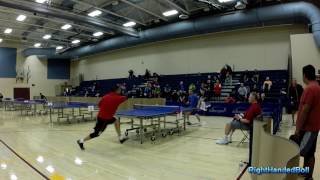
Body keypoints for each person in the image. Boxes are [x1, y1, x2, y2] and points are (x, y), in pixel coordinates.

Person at [77, 86, 128, 150]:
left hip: (105, 117)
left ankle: (120, 138)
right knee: (96, 134)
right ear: (117, 90)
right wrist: (125, 91)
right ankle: (81, 141)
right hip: (104, 120)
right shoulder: (119, 98)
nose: (121, 91)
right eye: (120, 90)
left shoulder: (105, 96)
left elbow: (99, 105)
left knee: (116, 120)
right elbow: (126, 97)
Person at [294, 65, 320, 180]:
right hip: (313, 126)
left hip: (309, 127)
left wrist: (298, 129)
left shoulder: (310, 89)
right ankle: (306, 173)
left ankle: (309, 176)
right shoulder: (316, 87)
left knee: (306, 152)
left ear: (304, 75)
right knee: (309, 151)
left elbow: (305, 111)